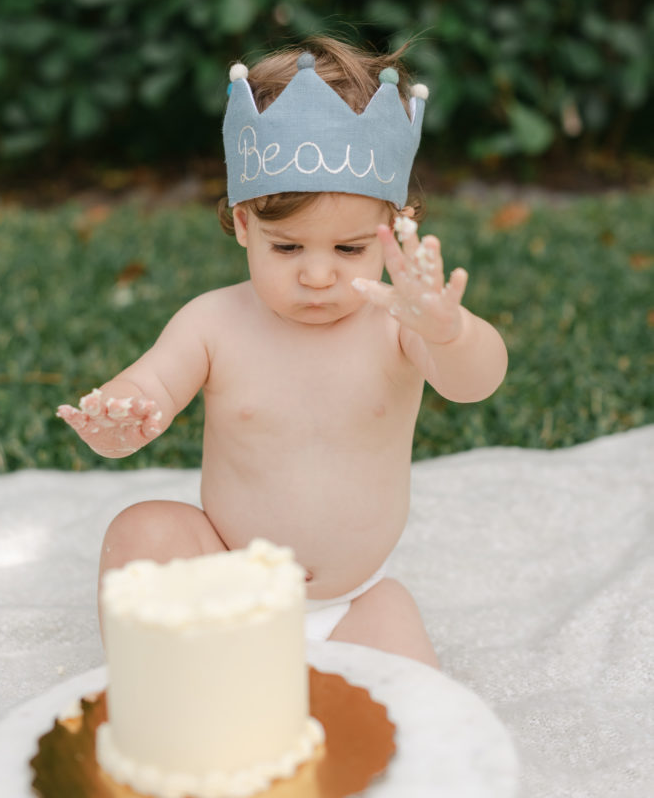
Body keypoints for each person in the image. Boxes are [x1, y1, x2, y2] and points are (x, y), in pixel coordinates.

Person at [57, 36, 507, 666]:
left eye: (350, 249)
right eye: (288, 248)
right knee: (143, 530)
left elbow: (474, 382)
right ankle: (172, 685)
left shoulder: (396, 322)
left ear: (399, 229)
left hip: (353, 606)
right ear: (245, 225)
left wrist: (450, 332)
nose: (317, 276)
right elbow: (150, 388)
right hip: (230, 590)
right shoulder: (214, 322)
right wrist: (120, 418)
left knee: (418, 723)